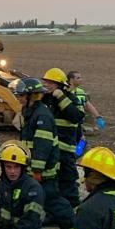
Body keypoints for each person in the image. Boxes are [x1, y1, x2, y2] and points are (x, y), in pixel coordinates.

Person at [13, 77, 73, 229]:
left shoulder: (42, 116)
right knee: (35, 199)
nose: (18, 98)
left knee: (52, 201)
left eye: (21, 95)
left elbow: (42, 146)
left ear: (31, 96)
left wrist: (37, 171)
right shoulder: (31, 112)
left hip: (43, 171)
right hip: (33, 168)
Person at [41, 68, 87, 210]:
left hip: (66, 148)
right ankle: (56, 211)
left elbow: (76, 116)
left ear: (59, 85)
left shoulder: (70, 99)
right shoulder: (46, 99)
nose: (47, 85)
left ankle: (72, 210)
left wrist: (60, 97)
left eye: (50, 82)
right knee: (52, 180)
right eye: (46, 82)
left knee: (67, 180)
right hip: (51, 148)